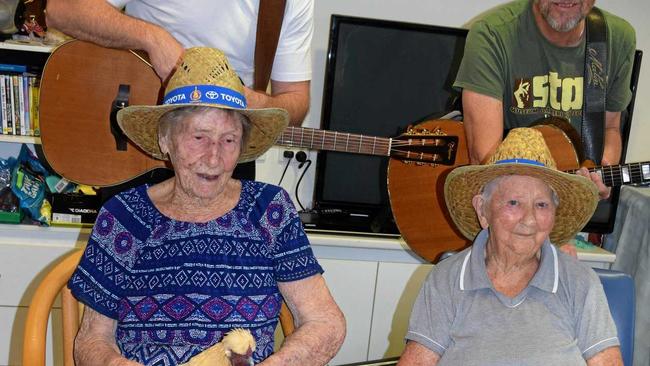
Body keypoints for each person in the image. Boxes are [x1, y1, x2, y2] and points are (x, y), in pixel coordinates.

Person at [67, 47, 346, 366]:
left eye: (228, 140)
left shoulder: (269, 210)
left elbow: (326, 322)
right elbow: (92, 339)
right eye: (199, 138)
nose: (214, 158)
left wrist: (280, 364)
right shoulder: (124, 217)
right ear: (165, 139)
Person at [398, 128, 622, 366]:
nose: (529, 219)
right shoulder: (447, 279)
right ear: (483, 210)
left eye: (542, 204)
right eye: (514, 203)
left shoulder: (579, 281)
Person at [453, 0, 636, 200]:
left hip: (569, 206)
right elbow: (486, 163)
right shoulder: (492, 34)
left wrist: (601, 172)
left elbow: (610, 128)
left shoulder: (617, 38)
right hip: (503, 201)